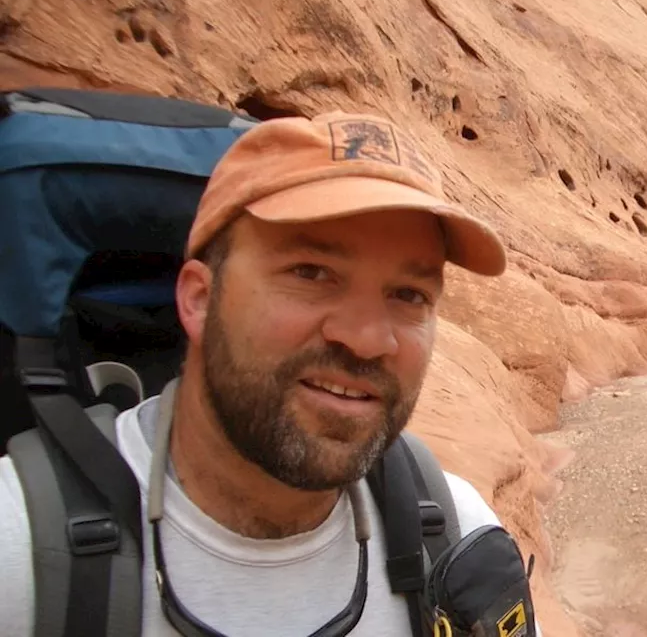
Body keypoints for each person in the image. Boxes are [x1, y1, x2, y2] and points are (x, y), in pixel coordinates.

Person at [0, 110, 537, 635]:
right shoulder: (19, 556)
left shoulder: (453, 533)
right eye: (311, 272)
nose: (368, 338)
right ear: (199, 299)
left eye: (408, 294)